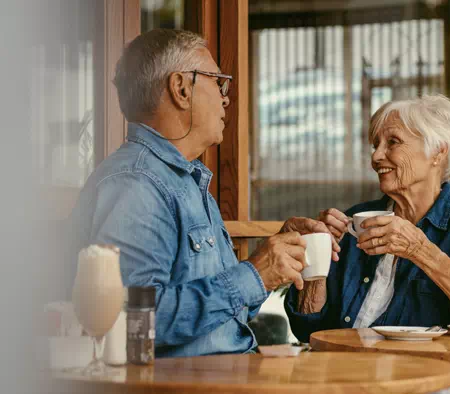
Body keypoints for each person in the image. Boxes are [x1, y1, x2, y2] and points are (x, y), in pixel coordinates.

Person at [70, 29, 338, 358]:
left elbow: (223, 316)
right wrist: (254, 274)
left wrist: (268, 271)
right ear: (181, 88)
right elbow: (131, 322)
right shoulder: (136, 184)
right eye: (217, 81)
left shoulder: (184, 179)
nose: (226, 97)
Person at [285, 95, 450, 379]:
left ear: (438, 152)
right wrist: (318, 260)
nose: (375, 157)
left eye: (392, 142)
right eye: (375, 146)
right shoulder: (356, 220)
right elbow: (308, 331)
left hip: (423, 383)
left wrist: (421, 250)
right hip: (342, 377)